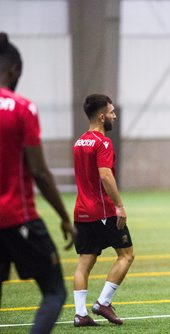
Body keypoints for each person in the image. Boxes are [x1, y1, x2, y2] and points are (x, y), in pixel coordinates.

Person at [0, 32, 75, 333]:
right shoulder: (22, 108)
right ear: (15, 69)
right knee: (54, 292)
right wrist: (63, 217)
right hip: (19, 218)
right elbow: (40, 172)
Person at [72, 94, 134, 327]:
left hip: (81, 211)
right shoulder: (103, 142)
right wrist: (119, 206)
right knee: (127, 255)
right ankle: (103, 302)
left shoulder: (79, 142)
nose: (114, 115)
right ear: (101, 116)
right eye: (111, 111)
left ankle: (80, 314)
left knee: (84, 262)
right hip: (103, 212)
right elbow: (105, 174)